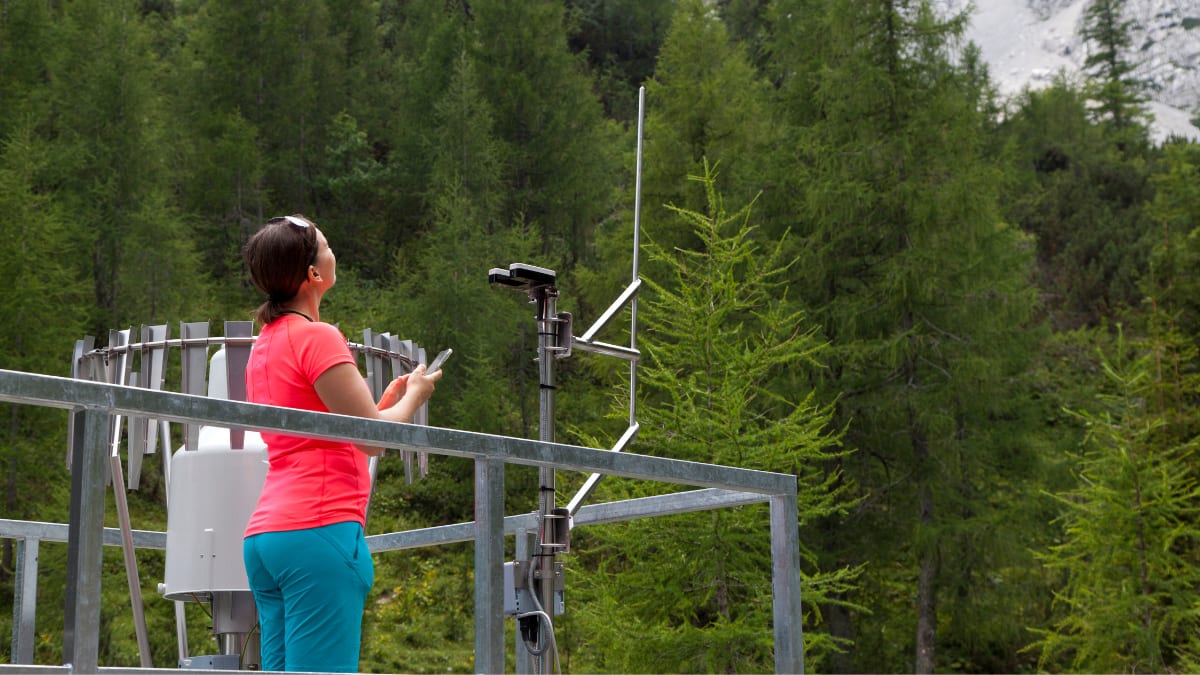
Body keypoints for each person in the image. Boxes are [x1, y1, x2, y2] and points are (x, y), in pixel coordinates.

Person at [240, 213, 441, 672]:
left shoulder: (265, 344)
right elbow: (371, 440)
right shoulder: (319, 336)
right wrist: (416, 396)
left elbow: (340, 429)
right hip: (319, 529)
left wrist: (388, 404)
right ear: (313, 274)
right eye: (327, 247)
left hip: (267, 538)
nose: (334, 255)